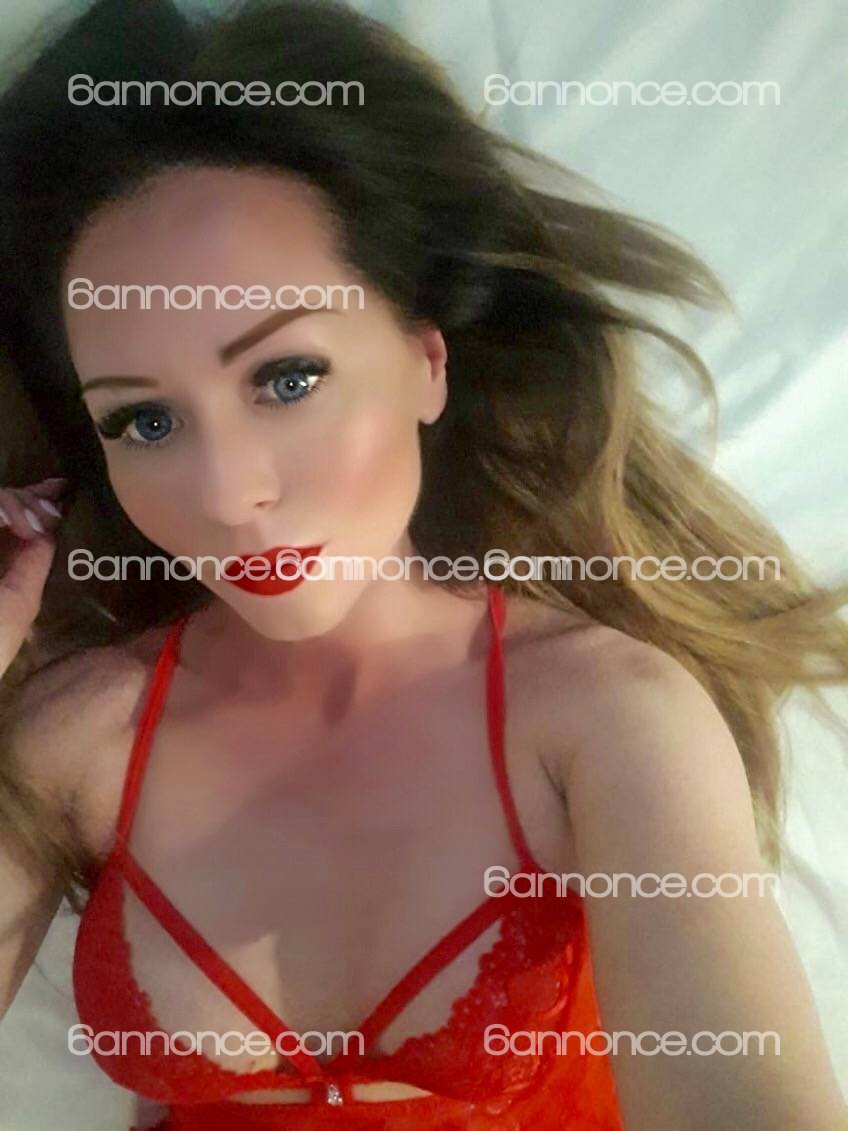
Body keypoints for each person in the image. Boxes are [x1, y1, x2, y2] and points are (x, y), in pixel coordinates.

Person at [0, 1, 846, 1128]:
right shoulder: (73, 740)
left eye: (286, 378)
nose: (228, 493)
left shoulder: (604, 717)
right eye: (145, 422)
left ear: (425, 362)